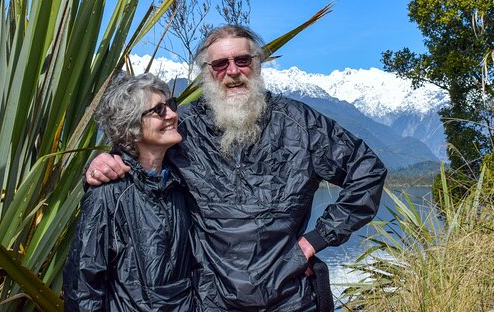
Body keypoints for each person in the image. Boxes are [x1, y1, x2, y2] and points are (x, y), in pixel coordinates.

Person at [86, 25, 387, 311]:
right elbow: (139, 156)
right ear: (207, 72)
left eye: (242, 60)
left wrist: (315, 240)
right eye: (220, 64)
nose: (232, 71)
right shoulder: (183, 126)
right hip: (211, 299)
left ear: (257, 64)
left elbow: (367, 171)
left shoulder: (300, 124)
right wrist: (103, 162)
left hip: (290, 296)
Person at [64, 73, 198, 311]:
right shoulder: (109, 193)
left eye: (171, 105)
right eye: (159, 110)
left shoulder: (180, 184)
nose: (173, 115)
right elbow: (84, 284)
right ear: (131, 126)